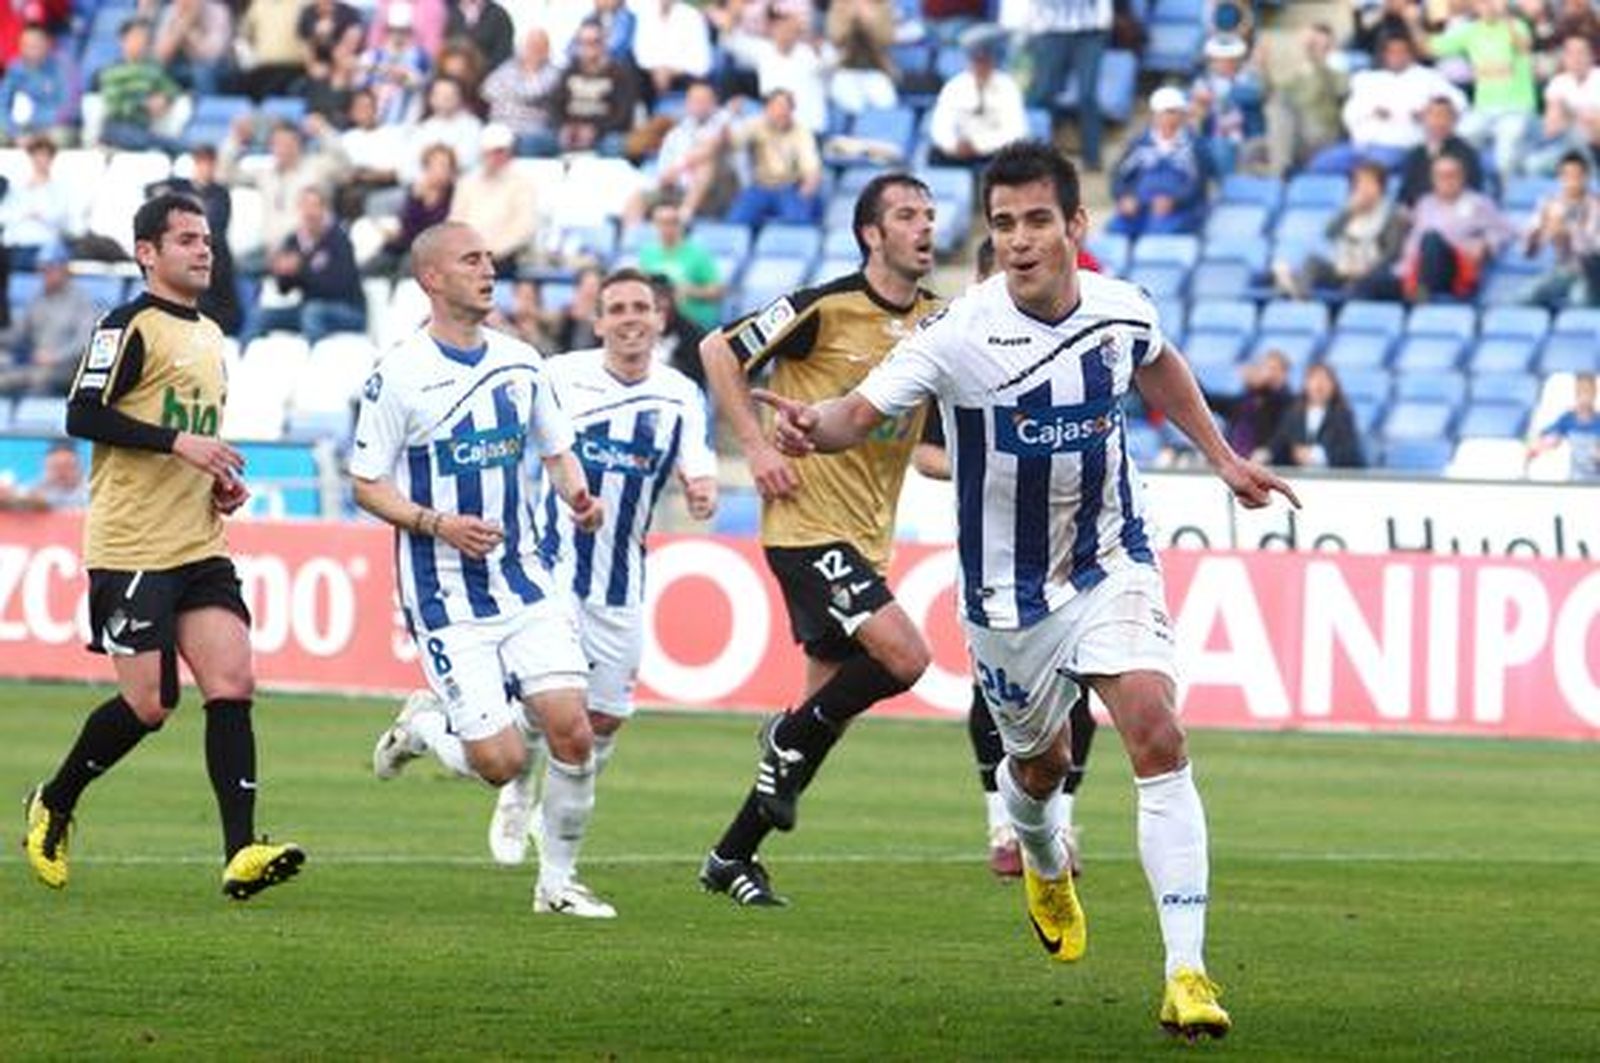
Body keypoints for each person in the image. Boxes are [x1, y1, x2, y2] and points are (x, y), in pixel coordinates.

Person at [754, 141, 1300, 1038]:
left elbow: (1156, 362)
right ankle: (1043, 854)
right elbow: (864, 409)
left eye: (1036, 219)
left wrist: (1222, 456)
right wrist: (818, 426)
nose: (1017, 239)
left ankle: (1187, 971)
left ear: (1075, 226)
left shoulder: (1121, 308)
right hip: (1008, 599)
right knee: (1040, 766)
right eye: (1002, 222)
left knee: (1155, 730)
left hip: (1112, 557)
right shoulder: (959, 332)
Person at [21, 192, 305, 899]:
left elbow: (192, 433)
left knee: (233, 683)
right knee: (148, 705)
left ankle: (241, 852)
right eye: (185, 239)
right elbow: (81, 412)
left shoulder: (210, 333)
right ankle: (53, 801)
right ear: (148, 252)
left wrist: (214, 482)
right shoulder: (126, 326)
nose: (203, 249)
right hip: (133, 544)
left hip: (198, 540)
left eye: (206, 238)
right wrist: (179, 442)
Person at [355, 221, 615, 917]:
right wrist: (437, 522)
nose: (488, 269)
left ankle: (557, 884)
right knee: (500, 761)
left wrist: (578, 495)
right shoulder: (398, 372)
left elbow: (557, 450)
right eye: (471, 260)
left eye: (490, 259)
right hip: (445, 594)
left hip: (525, 579)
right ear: (432, 279)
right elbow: (366, 483)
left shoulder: (522, 360)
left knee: (572, 728)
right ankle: (423, 728)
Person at [697, 173, 941, 907]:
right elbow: (717, 347)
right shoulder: (823, 307)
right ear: (872, 233)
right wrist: (756, 447)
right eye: (907, 215)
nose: (925, 227)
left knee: (814, 734)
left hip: (867, 537)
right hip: (805, 526)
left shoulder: (940, 322)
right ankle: (783, 734)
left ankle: (730, 855)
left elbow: (926, 446)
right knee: (905, 656)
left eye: (930, 214)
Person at [484, 267, 718, 864]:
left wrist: (702, 490)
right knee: (549, 701)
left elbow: (700, 462)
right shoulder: (560, 377)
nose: (631, 318)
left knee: (606, 718)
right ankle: (515, 796)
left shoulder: (680, 392)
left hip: (622, 580)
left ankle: (548, 806)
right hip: (553, 568)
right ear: (598, 323)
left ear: (661, 317)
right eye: (617, 309)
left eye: (642, 307)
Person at [910, 235, 1096, 879]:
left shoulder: (1072, 337)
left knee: (1078, 685)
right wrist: (991, 456)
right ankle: (1002, 825)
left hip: (1073, 540)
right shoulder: (960, 347)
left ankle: (1059, 828)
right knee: (999, 692)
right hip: (994, 542)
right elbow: (925, 452)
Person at [1272, 161, 1408, 300]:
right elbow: (1329, 233)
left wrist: (1367, 270)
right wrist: (1348, 213)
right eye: (1359, 183)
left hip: (1371, 274)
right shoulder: (1349, 209)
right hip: (1343, 268)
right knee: (1312, 262)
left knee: (1363, 283)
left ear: (1380, 187)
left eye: (1368, 183)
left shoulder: (1392, 214)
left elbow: (1392, 253)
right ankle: (1299, 296)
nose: (1363, 188)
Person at [248, 186, 367, 343]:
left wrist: (301, 269)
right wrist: (282, 273)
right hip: (309, 308)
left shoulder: (338, 238)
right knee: (260, 315)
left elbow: (340, 286)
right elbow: (284, 290)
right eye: (304, 206)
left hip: (349, 311)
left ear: (324, 209)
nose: (309, 212)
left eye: (314, 206)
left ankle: (318, 363)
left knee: (312, 312)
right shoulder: (294, 239)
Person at [1108, 87, 1213, 237]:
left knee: (1159, 234)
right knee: (1115, 230)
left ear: (1182, 115)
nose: (1167, 117)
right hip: (1140, 208)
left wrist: (1175, 201)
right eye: (1163, 112)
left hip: (1180, 212)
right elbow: (1119, 176)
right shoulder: (1139, 144)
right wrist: (1124, 197)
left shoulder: (1195, 146)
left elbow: (1199, 185)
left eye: (1172, 112)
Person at [0, 240, 100, 396]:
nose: (44, 274)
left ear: (64, 269)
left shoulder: (81, 300)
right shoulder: (38, 298)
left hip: (65, 368)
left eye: (49, 269)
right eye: (42, 270)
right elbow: (18, 335)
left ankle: (30, 419)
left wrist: (55, 356)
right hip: (34, 365)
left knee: (39, 381)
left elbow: (85, 341)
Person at [927, 28, 1029, 167]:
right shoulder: (955, 86)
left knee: (1015, 158)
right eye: (975, 61)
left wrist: (979, 146)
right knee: (934, 154)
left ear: (993, 61)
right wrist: (953, 145)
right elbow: (940, 126)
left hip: (993, 152)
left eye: (984, 61)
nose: (980, 66)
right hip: (959, 150)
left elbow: (1015, 132)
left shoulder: (1007, 87)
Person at [1522, 151, 1600, 308]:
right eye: (1566, 176)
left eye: (1577, 175)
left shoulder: (1595, 206)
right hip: (1562, 270)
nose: (1572, 181)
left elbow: (1594, 249)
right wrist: (1537, 235)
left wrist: (1569, 232)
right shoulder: (1549, 203)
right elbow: (1529, 253)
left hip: (1590, 274)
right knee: (1525, 297)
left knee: (1579, 301)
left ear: (1586, 177)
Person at [636, 202, 723, 330]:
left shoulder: (697, 253)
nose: (667, 227)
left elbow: (717, 291)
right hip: (658, 320)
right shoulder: (647, 253)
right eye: (662, 222)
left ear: (680, 224)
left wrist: (691, 291)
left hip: (693, 320)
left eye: (673, 222)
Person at [1266, 363, 1366, 468]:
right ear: (1306, 384)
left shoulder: (1343, 415)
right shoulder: (1293, 414)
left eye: (1325, 379)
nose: (1319, 384)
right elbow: (1279, 443)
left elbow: (1350, 452)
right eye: (1314, 379)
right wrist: (1267, 453)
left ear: (1334, 386)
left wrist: (1317, 455)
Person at [1528, 371, 1599, 480]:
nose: (1584, 397)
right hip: (1574, 480)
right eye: (1579, 392)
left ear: (1594, 393)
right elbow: (1541, 438)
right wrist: (1546, 443)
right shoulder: (1567, 419)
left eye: (1587, 392)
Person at [0, 439, 88, 511]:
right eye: (55, 467)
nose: (61, 473)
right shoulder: (38, 486)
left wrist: (44, 503)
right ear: (46, 468)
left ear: (79, 468)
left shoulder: (89, 489)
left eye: (67, 466)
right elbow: (20, 497)